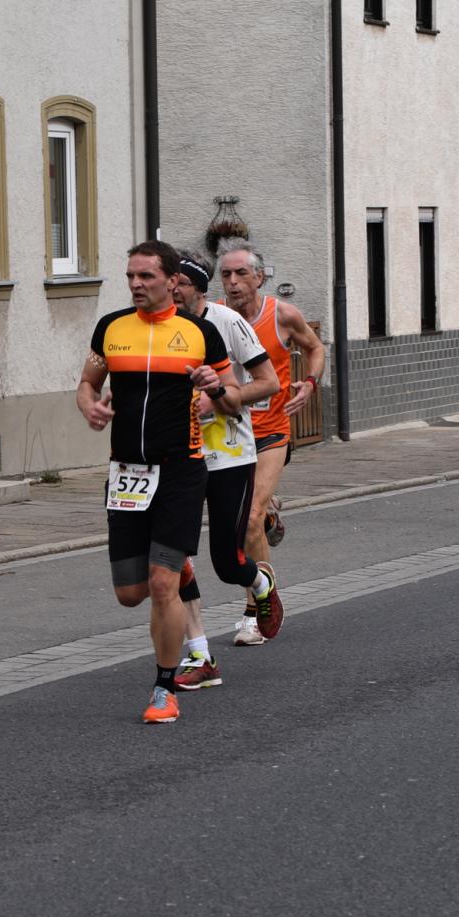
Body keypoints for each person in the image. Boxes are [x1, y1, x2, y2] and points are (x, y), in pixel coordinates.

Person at [76, 240, 244, 724]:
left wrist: (215, 388)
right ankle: (179, 568)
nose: (136, 284)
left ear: (172, 281)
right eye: (131, 276)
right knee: (130, 593)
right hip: (127, 473)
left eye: (146, 276)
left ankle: (164, 690)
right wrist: (90, 406)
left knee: (161, 583)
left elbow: (234, 396)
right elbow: (87, 383)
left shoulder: (200, 332)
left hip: (181, 471)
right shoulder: (112, 328)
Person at [164, 250, 281, 692]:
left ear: (197, 287)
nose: (172, 290)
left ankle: (260, 583)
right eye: (168, 282)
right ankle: (199, 653)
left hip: (230, 454)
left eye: (179, 282)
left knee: (228, 564)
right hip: (179, 457)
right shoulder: (158, 328)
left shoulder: (227, 322)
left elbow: (269, 382)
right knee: (173, 557)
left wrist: (218, 399)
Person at [214, 238, 326, 645]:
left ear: (259, 277)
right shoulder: (214, 318)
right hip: (229, 436)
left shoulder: (282, 315)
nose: (233, 281)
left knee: (248, 520)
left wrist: (309, 383)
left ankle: (253, 611)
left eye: (241, 273)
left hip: (271, 432)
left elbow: (315, 348)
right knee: (245, 519)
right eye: (226, 274)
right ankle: (271, 514)